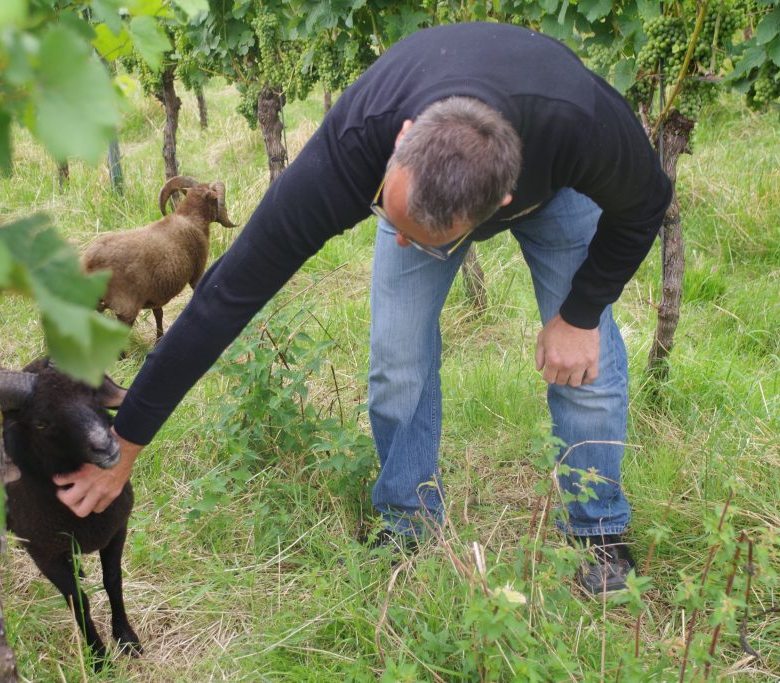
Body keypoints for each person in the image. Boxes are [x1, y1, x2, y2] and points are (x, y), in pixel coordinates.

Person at [53, 22, 672, 595]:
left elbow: (646, 206)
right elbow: (225, 297)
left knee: (584, 365)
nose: (397, 242)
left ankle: (598, 530)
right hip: (427, 163)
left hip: (552, 185)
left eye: (415, 236)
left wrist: (582, 312)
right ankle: (409, 519)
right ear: (403, 142)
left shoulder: (584, 125)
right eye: (389, 217)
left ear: (500, 202)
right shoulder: (362, 139)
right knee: (396, 361)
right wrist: (123, 444)